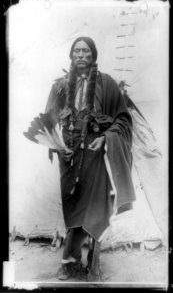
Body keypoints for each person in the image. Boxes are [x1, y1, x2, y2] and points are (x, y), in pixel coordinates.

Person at [45, 37, 136, 281]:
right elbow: (48, 121)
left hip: (95, 152)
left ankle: (93, 267)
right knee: (73, 207)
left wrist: (105, 138)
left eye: (86, 51)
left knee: (95, 208)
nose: (81, 55)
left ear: (93, 55)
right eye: (77, 51)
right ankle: (70, 264)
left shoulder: (106, 83)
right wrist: (57, 145)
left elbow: (123, 119)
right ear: (71, 55)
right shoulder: (60, 86)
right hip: (69, 154)